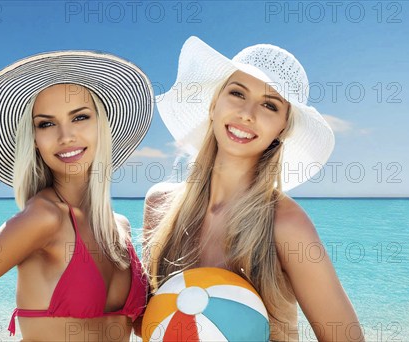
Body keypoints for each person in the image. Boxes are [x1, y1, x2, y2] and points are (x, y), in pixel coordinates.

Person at [0, 50, 153, 341]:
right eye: (46, 123)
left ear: (101, 124)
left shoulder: (119, 227)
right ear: (33, 141)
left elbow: (143, 327)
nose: (65, 136)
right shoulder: (44, 218)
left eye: (80, 117)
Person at [143, 36, 363, 341]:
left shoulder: (285, 224)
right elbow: (148, 323)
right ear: (213, 104)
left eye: (269, 105)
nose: (247, 113)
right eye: (237, 93)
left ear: (281, 129)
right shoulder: (159, 205)